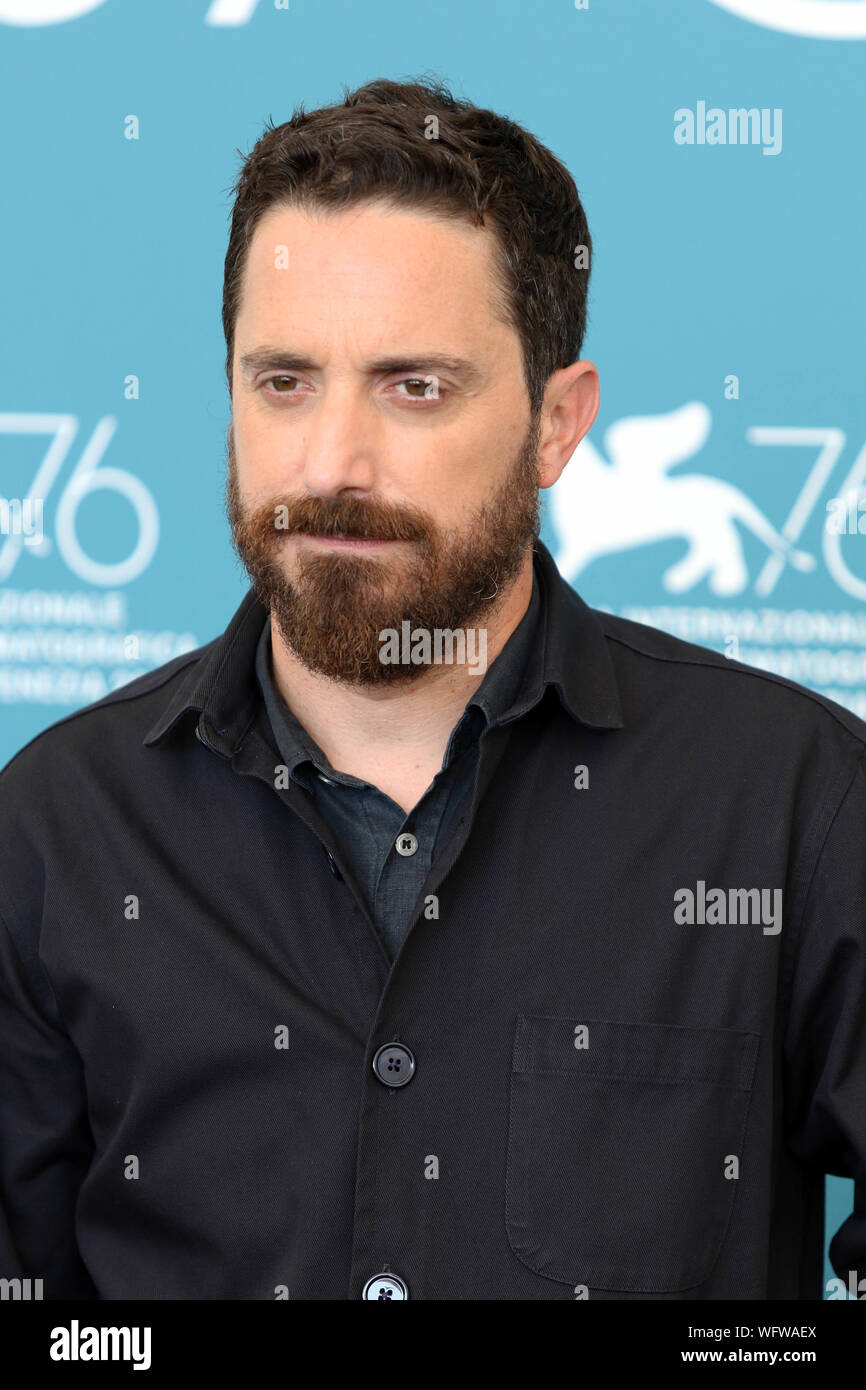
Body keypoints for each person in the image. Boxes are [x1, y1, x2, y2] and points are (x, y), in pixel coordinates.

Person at [0, 75, 863, 1301]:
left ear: (556, 425)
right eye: (283, 380)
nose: (331, 463)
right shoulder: (50, 835)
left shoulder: (794, 806)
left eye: (414, 386)